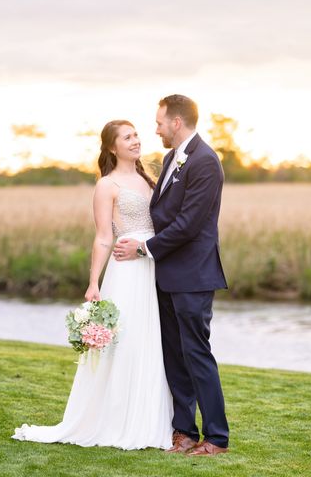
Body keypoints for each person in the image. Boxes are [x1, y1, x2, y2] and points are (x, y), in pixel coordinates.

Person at [11, 120, 173, 450]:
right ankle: (117, 421)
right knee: (126, 341)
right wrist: (93, 282)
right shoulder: (107, 186)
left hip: (153, 263)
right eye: (127, 138)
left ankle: (152, 419)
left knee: (151, 340)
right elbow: (102, 237)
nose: (136, 141)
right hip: (127, 269)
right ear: (112, 147)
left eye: (136, 135)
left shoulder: (147, 178)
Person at [114, 94, 230, 456]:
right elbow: (163, 212)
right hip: (165, 275)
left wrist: (145, 248)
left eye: (160, 122)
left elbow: (189, 224)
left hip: (193, 274)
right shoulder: (170, 158)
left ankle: (216, 438)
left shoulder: (206, 162)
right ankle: (183, 431)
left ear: (176, 123)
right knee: (174, 356)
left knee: (196, 353)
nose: (156, 129)